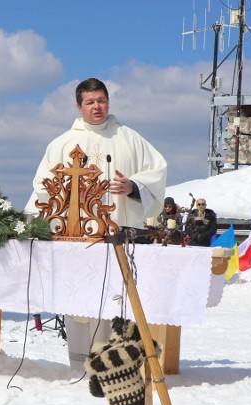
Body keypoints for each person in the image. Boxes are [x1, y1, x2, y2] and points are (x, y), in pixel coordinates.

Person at [27, 77, 168, 370]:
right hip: (77, 241)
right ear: (79, 106)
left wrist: (133, 186)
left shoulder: (129, 138)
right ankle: (80, 362)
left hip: (118, 237)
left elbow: (158, 170)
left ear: (108, 102)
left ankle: (114, 362)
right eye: (90, 102)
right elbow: (41, 184)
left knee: (114, 299)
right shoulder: (63, 143)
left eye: (101, 100)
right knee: (80, 298)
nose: (97, 107)